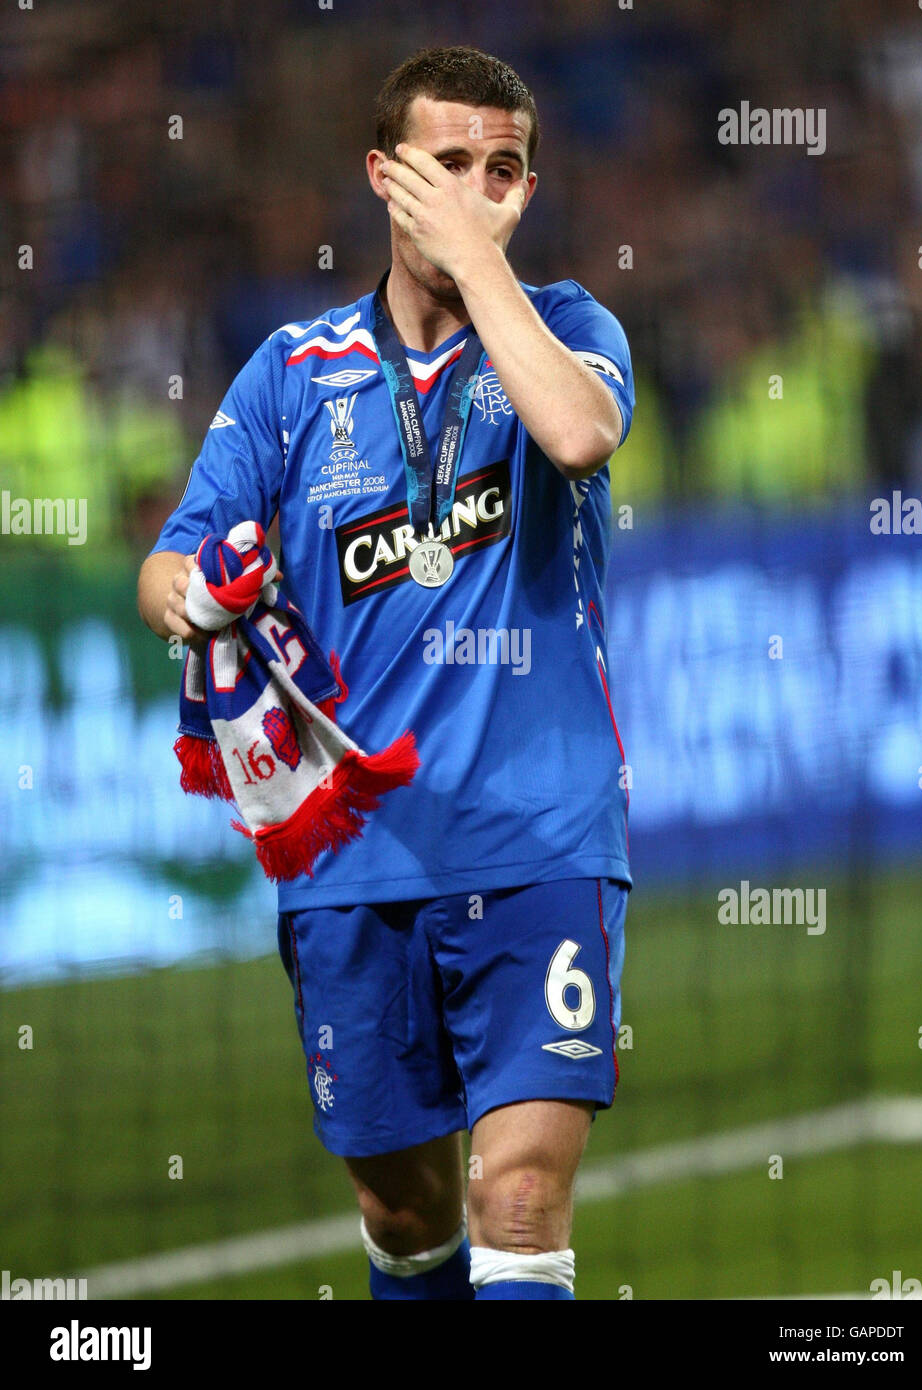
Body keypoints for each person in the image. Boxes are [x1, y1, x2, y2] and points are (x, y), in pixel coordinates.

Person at [137, 45, 634, 1301]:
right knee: (404, 1214)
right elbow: (166, 563)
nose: (478, 190)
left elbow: (576, 434)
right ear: (383, 173)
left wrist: (475, 258)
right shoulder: (291, 379)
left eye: (504, 170)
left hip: (540, 837)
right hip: (355, 860)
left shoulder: (569, 326)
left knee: (518, 1194)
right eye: (448, 165)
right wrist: (198, 597)